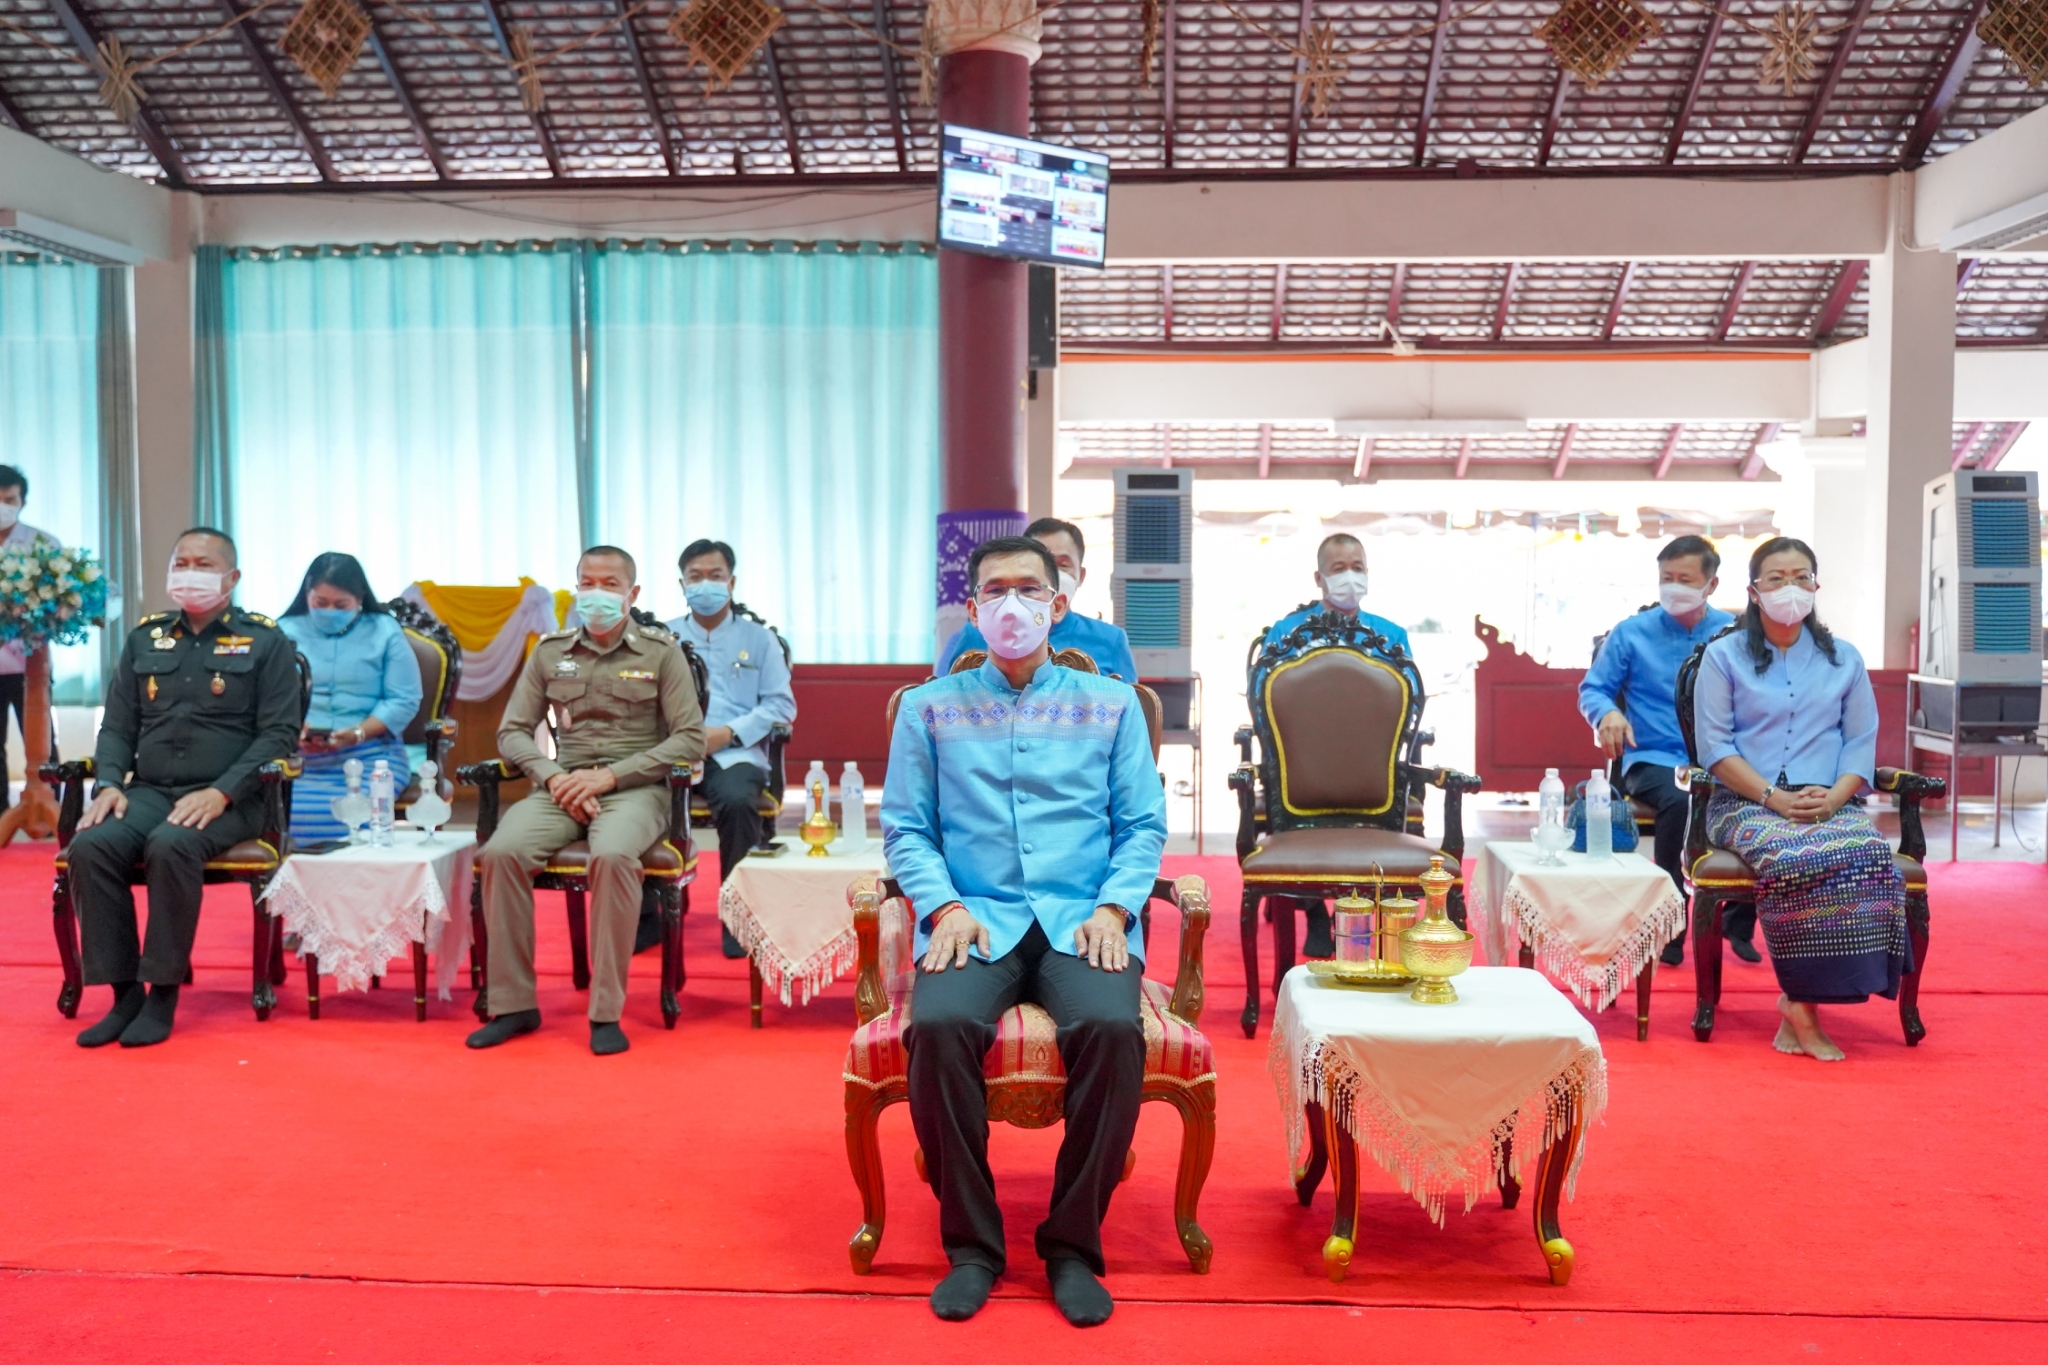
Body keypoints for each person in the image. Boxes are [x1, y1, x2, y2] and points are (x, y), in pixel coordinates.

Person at [884, 535, 1166, 1328]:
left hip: (1084, 916)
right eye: (995, 591)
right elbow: (906, 828)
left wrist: (1114, 906)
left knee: (1113, 1026)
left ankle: (1073, 1244)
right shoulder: (928, 706)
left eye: (1029, 589)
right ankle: (973, 1245)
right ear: (972, 610)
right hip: (976, 915)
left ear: (1058, 604)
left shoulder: (1110, 704)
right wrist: (943, 907)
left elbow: (1142, 824)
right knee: (937, 1025)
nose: (1013, 605)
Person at [67, 528, 301, 1048]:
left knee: (172, 846)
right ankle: (124, 994)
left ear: (231, 577)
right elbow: (118, 726)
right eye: (181, 563)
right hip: (150, 791)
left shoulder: (266, 642)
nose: (188, 573)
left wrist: (222, 791)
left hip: (230, 799)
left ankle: (162, 993)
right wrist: (108, 783)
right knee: (91, 847)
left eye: (202, 563)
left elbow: (279, 734)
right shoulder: (144, 638)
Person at [469, 546, 705, 1056]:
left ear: (632, 593)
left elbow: (689, 739)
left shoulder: (661, 653)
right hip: (561, 786)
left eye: (609, 584)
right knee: (501, 854)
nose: (596, 594)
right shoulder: (550, 651)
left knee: (615, 856)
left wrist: (608, 778)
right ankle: (513, 1005)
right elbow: (512, 732)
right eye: (587, 583)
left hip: (636, 790)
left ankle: (605, 1011)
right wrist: (553, 777)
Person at [1694, 537, 1906, 1063]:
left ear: (1816, 586)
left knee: (1871, 856)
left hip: (1827, 801)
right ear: (1754, 592)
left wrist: (1833, 800)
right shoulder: (1724, 657)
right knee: (1798, 857)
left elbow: (1861, 742)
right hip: (1743, 802)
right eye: (1776, 578)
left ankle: (1799, 1000)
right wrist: (1774, 799)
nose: (1791, 587)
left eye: (1801, 577)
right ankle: (1804, 1011)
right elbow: (1714, 748)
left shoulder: (1844, 659)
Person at [1578, 535, 1744, 966]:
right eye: (1666, 579)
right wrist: (1606, 715)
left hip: (1724, 758)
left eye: (1685, 579)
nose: (1674, 587)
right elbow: (1593, 689)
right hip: (1653, 758)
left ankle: (1740, 916)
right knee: (1681, 800)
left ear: (1711, 584)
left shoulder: (1734, 634)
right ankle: (1671, 923)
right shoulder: (1630, 634)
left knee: (1763, 798)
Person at [1255, 531, 1410, 958]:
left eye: (1358, 567)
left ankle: (1359, 914)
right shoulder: (1288, 634)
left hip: (1371, 770)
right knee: (1289, 792)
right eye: (1339, 568)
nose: (1350, 577)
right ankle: (1314, 911)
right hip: (1300, 769)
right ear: (1319, 577)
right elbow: (1263, 702)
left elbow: (1409, 704)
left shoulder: (1390, 635)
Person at [666, 538, 797, 959]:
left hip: (734, 752)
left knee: (741, 802)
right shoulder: (661, 638)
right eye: (696, 577)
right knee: (640, 800)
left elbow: (780, 705)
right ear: (682, 584)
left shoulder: (759, 639)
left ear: (732, 581)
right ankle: (650, 918)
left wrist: (726, 733)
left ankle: (737, 919)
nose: (706, 585)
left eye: (715, 576)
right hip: (671, 751)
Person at [277, 552, 422, 843]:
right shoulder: (282, 631)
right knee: (285, 816)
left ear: (360, 598)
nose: (330, 610)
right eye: (320, 602)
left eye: (341, 604)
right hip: (299, 758)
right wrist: (294, 730)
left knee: (356, 820)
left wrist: (356, 733)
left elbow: (403, 699)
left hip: (371, 755)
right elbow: (268, 697)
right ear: (307, 594)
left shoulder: (384, 631)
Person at [936, 517, 1138, 681]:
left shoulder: (1110, 640)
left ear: (1081, 575)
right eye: (1040, 561)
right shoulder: (974, 634)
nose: (1053, 573)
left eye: (1062, 564)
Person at [0, 465, 60, 811]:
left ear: (23, 501)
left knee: (42, 742)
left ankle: (55, 806)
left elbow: (58, 605)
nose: (4, 506)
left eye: (11, 499)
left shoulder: (42, 544)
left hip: (30, 663)